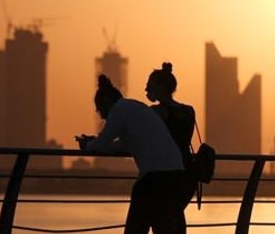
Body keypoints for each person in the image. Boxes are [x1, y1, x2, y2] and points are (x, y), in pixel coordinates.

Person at [77, 74, 187, 234]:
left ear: (107, 102)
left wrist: (88, 145)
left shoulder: (119, 110)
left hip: (154, 178)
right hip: (175, 174)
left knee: (135, 228)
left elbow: (103, 140)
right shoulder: (134, 108)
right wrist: (95, 143)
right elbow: (122, 145)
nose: (101, 115)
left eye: (100, 109)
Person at [146, 62, 196, 229]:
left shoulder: (155, 113)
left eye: (150, 85)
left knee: (162, 223)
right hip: (187, 175)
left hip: (165, 176)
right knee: (175, 219)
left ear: (161, 87)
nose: (146, 89)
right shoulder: (189, 111)